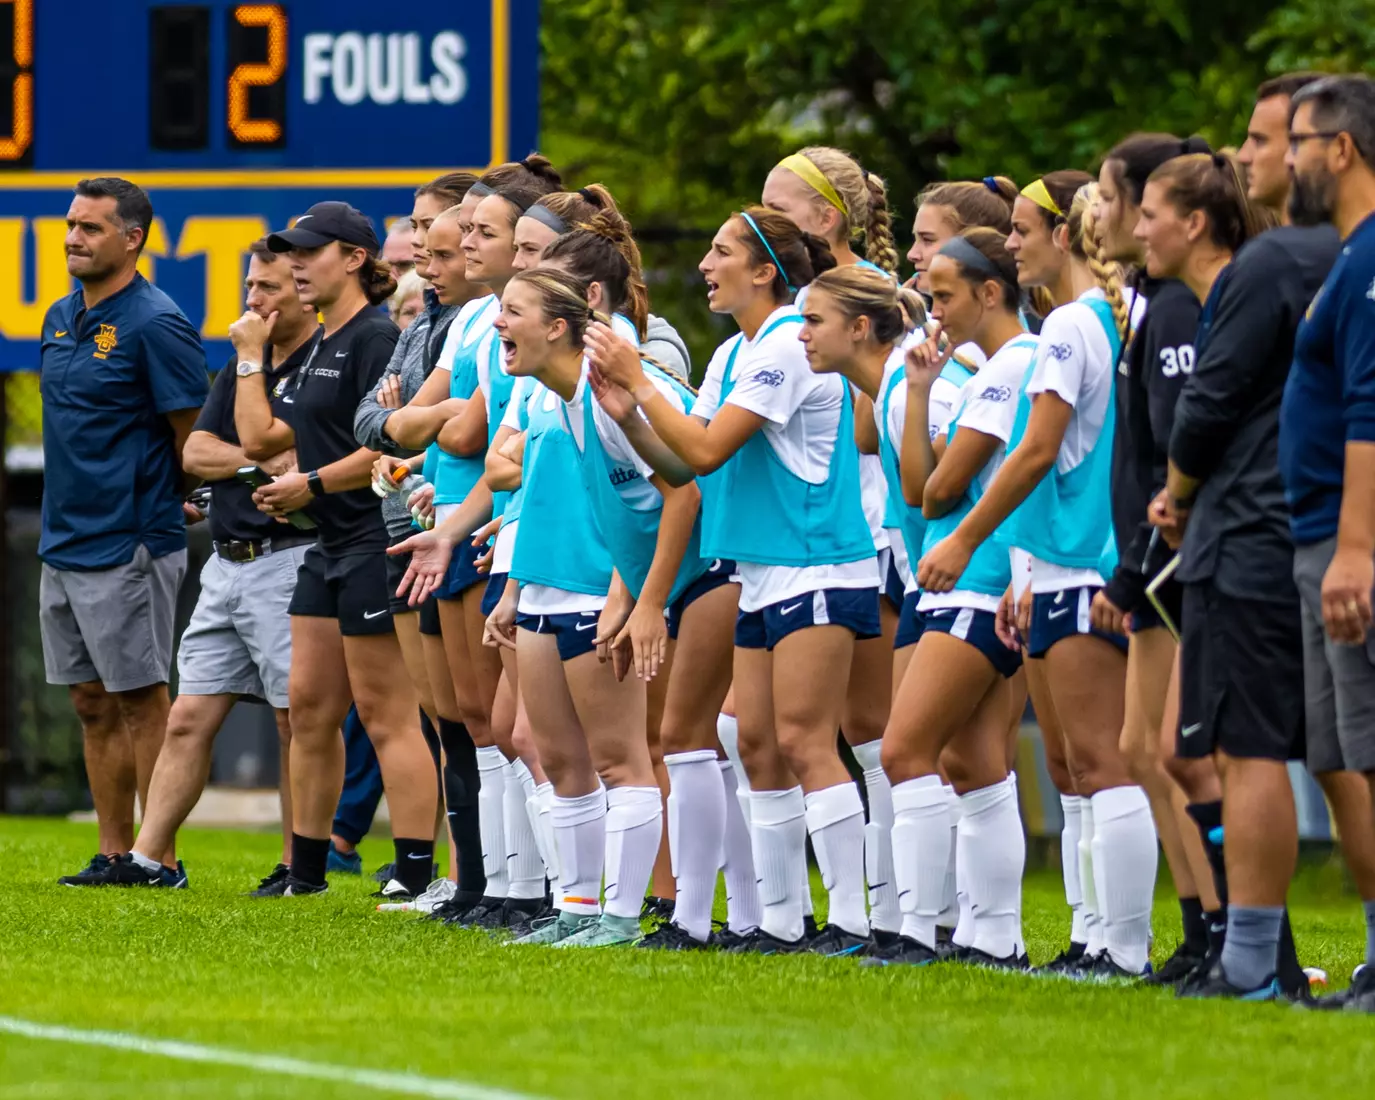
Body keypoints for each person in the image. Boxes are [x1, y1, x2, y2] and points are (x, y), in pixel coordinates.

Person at [597, 207, 879, 955]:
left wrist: (636, 379)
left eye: (720, 252)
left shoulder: (787, 341)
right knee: (754, 742)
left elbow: (708, 448)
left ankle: (849, 922)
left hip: (816, 560)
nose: (703, 265)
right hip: (761, 569)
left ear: (764, 272)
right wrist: (627, 413)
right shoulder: (734, 353)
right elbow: (680, 462)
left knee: (804, 741)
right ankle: (780, 924)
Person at [922, 179, 1157, 981]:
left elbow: (1032, 454)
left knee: (1099, 763)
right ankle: (1095, 938)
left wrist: (965, 542)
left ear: (1066, 235)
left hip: (1081, 565)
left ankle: (1120, 946)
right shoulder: (1109, 321)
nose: (1011, 243)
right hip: (1069, 564)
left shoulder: (1069, 325)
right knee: (1076, 769)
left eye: (1023, 230)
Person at [1143, 151, 1333, 999]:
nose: (1137, 226)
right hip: (1251, 536)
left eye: (1146, 208)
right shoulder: (1290, 267)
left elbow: (1205, 411)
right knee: (1201, 751)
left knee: (1244, 751)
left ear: (1192, 222)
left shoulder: (1256, 273)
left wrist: (1177, 496)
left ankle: (1255, 955)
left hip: (1244, 541)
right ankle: (1237, 944)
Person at [81, 238, 318, 889]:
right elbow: (199, 454)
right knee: (187, 715)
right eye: (249, 286)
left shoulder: (322, 362)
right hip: (226, 559)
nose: (251, 300)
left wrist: (250, 385)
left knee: (294, 720)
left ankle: (299, 867)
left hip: (291, 557)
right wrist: (254, 460)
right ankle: (152, 860)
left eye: (266, 288)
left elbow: (280, 440)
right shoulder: (249, 363)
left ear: (307, 289)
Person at [251, 201, 438, 901]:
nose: (296, 264)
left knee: (387, 711)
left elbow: (390, 444)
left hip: (373, 541)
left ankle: (414, 868)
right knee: (307, 708)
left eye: (310, 251)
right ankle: (305, 872)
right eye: (291, 253)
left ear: (356, 258)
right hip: (327, 543)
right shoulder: (321, 343)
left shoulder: (372, 338)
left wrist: (311, 483)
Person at [42, 178, 209, 887]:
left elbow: (192, 437)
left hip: (130, 541)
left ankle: (156, 855)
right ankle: (113, 851)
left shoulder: (156, 321)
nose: (75, 238)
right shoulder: (58, 315)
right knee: (89, 700)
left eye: (91, 228)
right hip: (63, 539)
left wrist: (182, 498)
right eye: (72, 225)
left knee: (142, 699)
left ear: (132, 238)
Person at [763, 146, 904, 942]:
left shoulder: (876, 305)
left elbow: (868, 426)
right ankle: (827, 909)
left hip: (871, 533)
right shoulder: (789, 317)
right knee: (827, 731)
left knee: (879, 732)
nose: (764, 221)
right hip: (797, 538)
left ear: (825, 219)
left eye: (780, 207)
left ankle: (894, 908)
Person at [1094, 132, 1224, 985]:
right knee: (1144, 749)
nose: (1113, 221)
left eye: (1117, 201)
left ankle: (1227, 928)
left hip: (1169, 557)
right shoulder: (1148, 303)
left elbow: (1175, 443)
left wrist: (1137, 560)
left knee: (1170, 748)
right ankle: (1200, 929)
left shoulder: (1172, 308)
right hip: (1149, 556)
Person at [354, 171, 484, 898]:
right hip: (422, 525)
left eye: (440, 245)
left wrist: (417, 423)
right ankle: (475, 882)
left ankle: (501, 884)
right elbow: (379, 424)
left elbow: (463, 427)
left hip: (477, 529)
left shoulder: (495, 318)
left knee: (487, 722)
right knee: (450, 716)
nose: (423, 263)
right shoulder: (445, 324)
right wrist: (418, 423)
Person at [1280, 73, 1375, 1012]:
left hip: (1347, 551)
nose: (1291, 159)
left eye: (1300, 141)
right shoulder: (1349, 258)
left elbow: (1371, 411)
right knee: (1343, 752)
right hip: (1317, 537)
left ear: (1339, 149)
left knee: (1368, 749)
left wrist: (1355, 550)